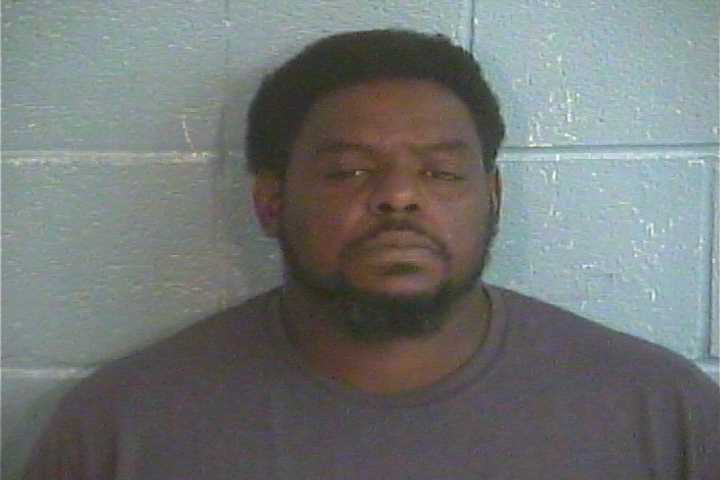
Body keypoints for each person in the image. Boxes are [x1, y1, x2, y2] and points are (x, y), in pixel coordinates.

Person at [24, 29, 719, 479]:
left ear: (493, 197)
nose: (399, 197)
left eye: (441, 171)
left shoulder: (661, 414)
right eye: (349, 170)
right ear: (271, 201)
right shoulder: (120, 432)